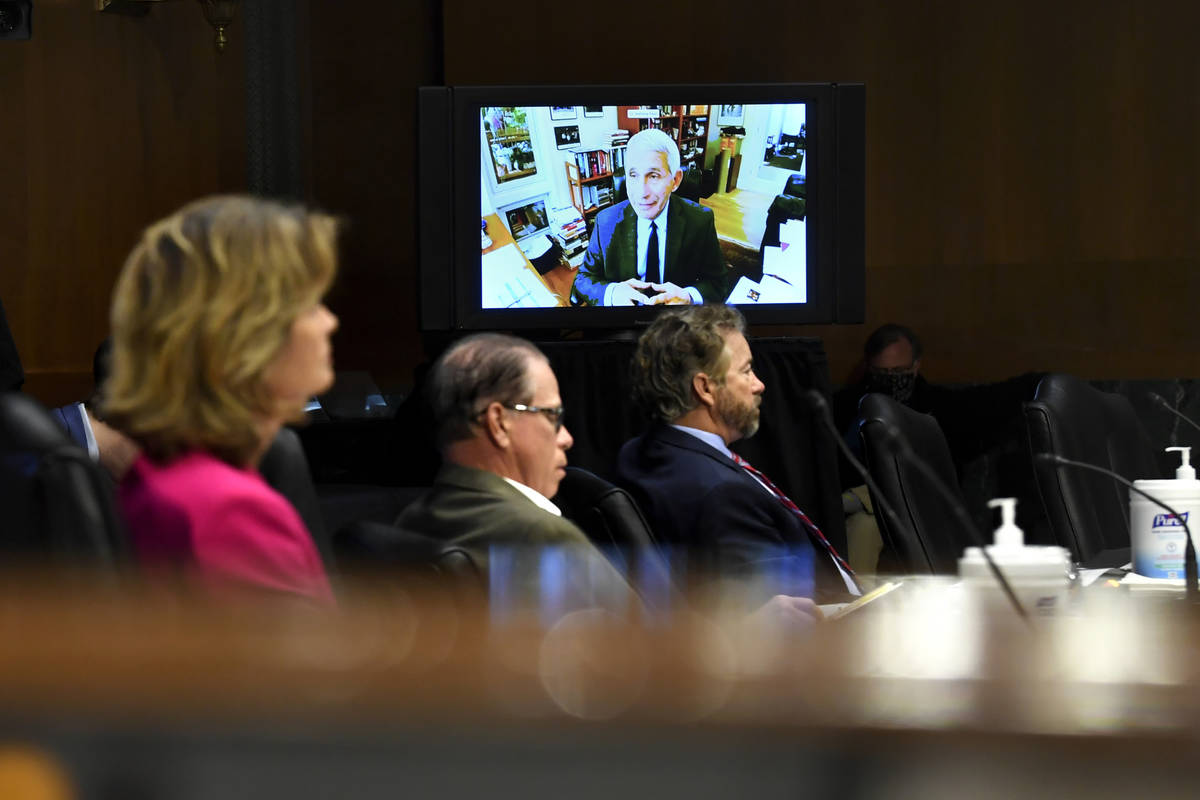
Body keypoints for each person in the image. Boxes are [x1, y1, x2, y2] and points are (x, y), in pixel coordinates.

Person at [396, 332, 822, 626]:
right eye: (552, 416)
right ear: (499, 423)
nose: (567, 438)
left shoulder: (413, 519)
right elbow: (643, 670)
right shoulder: (539, 535)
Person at [102, 195, 338, 605]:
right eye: (310, 305)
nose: (329, 321)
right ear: (248, 335)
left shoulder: (164, 473)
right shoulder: (232, 512)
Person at [616, 304, 860, 604]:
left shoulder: (642, 451)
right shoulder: (722, 494)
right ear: (705, 388)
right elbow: (786, 611)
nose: (760, 384)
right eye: (746, 371)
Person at [573, 128, 729, 306]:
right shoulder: (605, 221)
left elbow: (718, 283)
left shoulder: (700, 220)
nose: (641, 193)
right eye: (633, 175)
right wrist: (612, 293)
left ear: (675, 180)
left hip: (675, 319)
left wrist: (688, 296)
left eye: (653, 176)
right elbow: (583, 278)